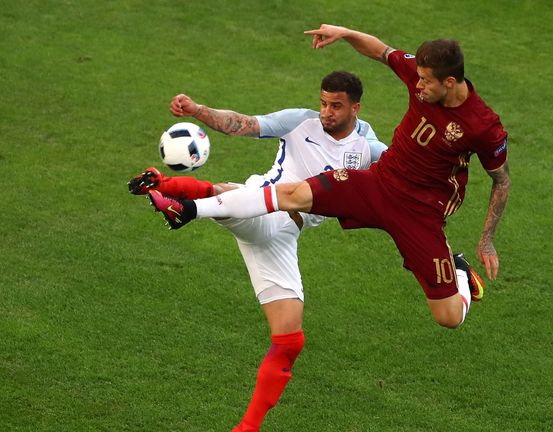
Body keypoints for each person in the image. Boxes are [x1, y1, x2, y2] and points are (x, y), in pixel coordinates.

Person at [147, 25, 510, 330]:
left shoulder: (483, 126)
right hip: (378, 184)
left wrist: (488, 240)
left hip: (420, 213)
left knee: (447, 318)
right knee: (290, 193)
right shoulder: (420, 75)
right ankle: (190, 210)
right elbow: (382, 51)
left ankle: (459, 272)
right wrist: (345, 32)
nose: (417, 86)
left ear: (449, 82)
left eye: (426, 82)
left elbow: (501, 180)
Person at [130, 71, 387, 432]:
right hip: (263, 208)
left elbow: (408, 195)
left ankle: (247, 428)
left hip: (284, 237)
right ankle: (175, 198)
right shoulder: (301, 122)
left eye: (336, 106)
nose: (326, 112)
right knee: (238, 201)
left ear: (356, 108)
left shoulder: (370, 152)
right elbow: (243, 125)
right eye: (323, 103)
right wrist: (197, 109)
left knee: (290, 340)